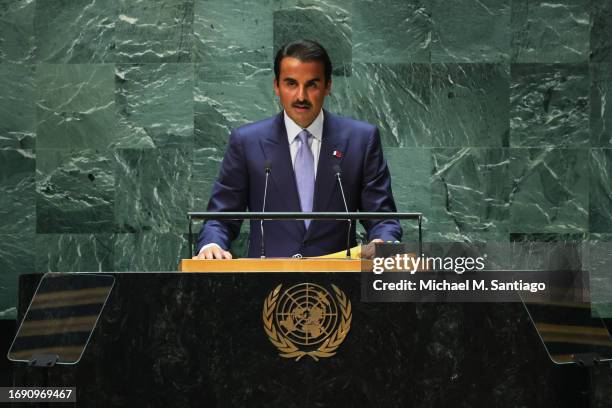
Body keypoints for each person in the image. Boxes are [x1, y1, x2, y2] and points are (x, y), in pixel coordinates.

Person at [195, 39, 401, 259]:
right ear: (276, 86)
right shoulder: (247, 142)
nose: (301, 96)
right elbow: (220, 217)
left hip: (339, 282)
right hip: (265, 283)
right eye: (291, 83)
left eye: (312, 84)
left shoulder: (361, 140)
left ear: (328, 86)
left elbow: (382, 218)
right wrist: (211, 245)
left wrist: (384, 242)